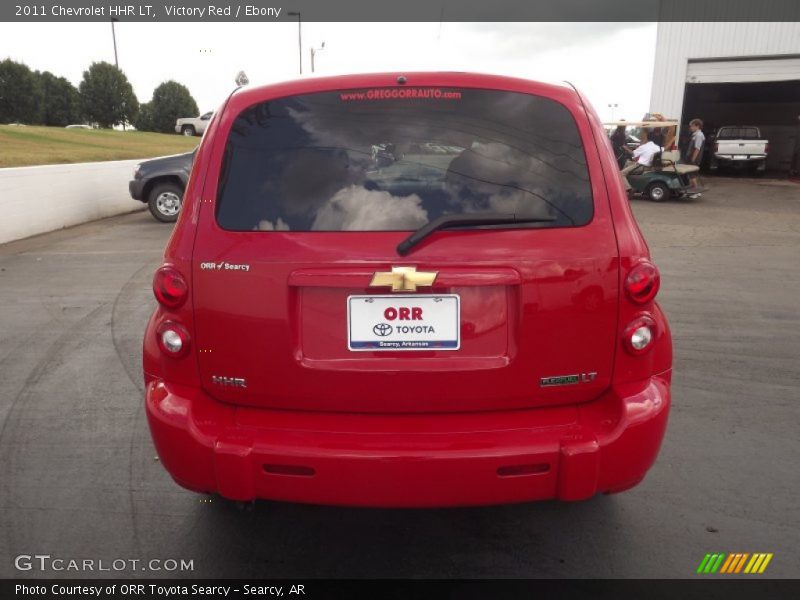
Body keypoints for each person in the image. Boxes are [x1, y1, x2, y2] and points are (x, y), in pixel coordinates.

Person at [685, 118, 705, 189]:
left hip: (694, 158)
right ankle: (692, 188)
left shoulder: (699, 135)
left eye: (692, 126)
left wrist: (693, 159)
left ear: (697, 126)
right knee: (690, 173)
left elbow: (697, 148)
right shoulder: (695, 134)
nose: (690, 128)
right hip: (691, 157)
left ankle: (695, 190)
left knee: (692, 174)